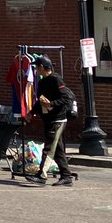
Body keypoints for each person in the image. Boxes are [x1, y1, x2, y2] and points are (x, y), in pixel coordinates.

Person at [28, 55, 75, 186]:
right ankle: (66, 176)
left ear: (42, 67)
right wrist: (31, 112)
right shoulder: (43, 82)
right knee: (58, 149)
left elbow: (66, 98)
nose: (36, 70)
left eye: (36, 67)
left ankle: (41, 175)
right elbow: (41, 101)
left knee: (49, 148)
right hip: (48, 119)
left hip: (58, 120)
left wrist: (52, 104)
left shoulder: (56, 79)